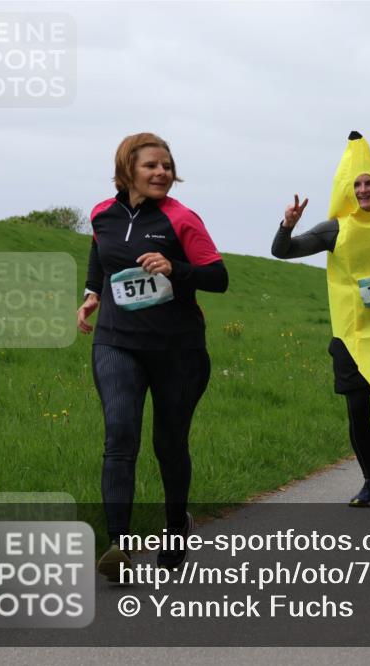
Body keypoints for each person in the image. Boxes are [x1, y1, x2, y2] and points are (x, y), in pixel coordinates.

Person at [78, 132, 228, 581]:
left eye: (167, 165)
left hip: (177, 350)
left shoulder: (182, 219)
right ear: (128, 170)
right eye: (151, 166)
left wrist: (174, 268)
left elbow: (218, 278)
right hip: (116, 342)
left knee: (168, 444)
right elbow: (98, 256)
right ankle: (118, 548)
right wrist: (91, 294)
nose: (162, 172)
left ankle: (176, 526)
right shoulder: (102, 214)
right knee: (119, 439)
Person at [271, 131, 370, 508]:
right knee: (356, 411)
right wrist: (287, 224)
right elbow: (282, 251)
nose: (364, 190)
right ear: (347, 190)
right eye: (357, 184)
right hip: (349, 335)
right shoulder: (335, 228)